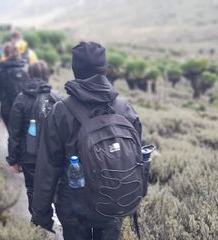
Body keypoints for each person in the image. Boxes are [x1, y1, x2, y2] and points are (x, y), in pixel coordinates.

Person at [31, 42, 143, 240]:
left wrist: (41, 214)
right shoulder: (125, 108)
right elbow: (138, 159)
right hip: (113, 203)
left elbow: (47, 168)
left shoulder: (61, 112)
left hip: (75, 210)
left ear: (75, 70)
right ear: (104, 69)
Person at [6, 60, 61, 215]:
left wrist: (13, 159)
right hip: (54, 155)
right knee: (56, 188)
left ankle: (38, 221)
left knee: (32, 188)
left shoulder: (21, 98)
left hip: (29, 155)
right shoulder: (57, 97)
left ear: (29, 75)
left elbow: (14, 132)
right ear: (47, 75)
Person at [0, 43, 29, 128]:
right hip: (24, 109)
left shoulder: (0, 70)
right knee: (24, 136)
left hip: (7, 110)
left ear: (6, 53)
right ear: (19, 53)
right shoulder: (25, 68)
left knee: (12, 136)